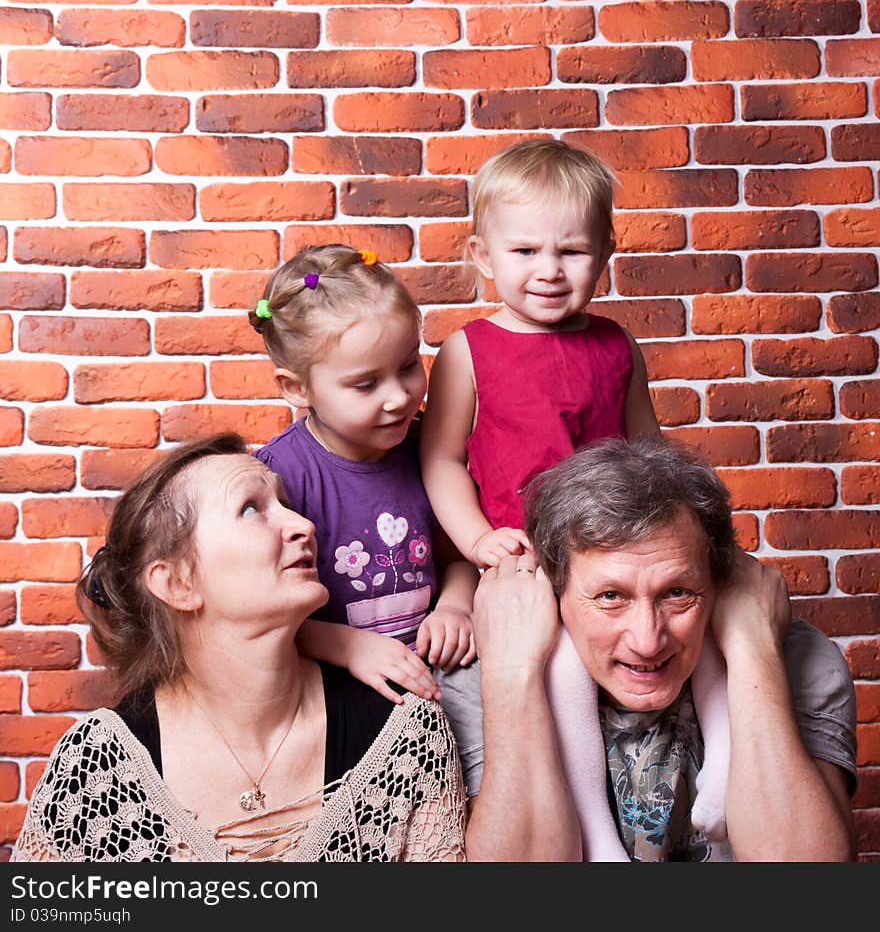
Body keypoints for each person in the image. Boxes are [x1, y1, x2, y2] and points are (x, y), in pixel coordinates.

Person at [421, 138, 728, 858]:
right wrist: (475, 544)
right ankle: (597, 834)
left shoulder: (618, 347)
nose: (549, 272)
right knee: (558, 667)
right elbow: (439, 461)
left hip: (613, 557)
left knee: (715, 632)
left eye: (572, 252)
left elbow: (650, 455)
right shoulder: (469, 350)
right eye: (524, 251)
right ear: (482, 255)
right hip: (524, 557)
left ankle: (722, 778)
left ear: (607, 251)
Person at [12, 435, 467, 863]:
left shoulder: (406, 737)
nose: (304, 525)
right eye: (251, 509)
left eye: (285, 504)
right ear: (177, 583)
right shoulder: (95, 770)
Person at [456, 437, 858, 862]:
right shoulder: (484, 670)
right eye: (611, 596)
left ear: (719, 585)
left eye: (678, 593)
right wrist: (512, 675)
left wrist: (753, 648)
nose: (648, 640)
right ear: (553, 592)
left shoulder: (797, 658)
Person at [251, 245, 478, 706]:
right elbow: (258, 611)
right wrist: (348, 645)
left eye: (409, 366)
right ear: (297, 387)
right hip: (328, 691)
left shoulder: (430, 451)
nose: (399, 396)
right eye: (366, 383)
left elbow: (457, 556)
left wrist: (455, 605)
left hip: (433, 680)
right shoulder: (280, 476)